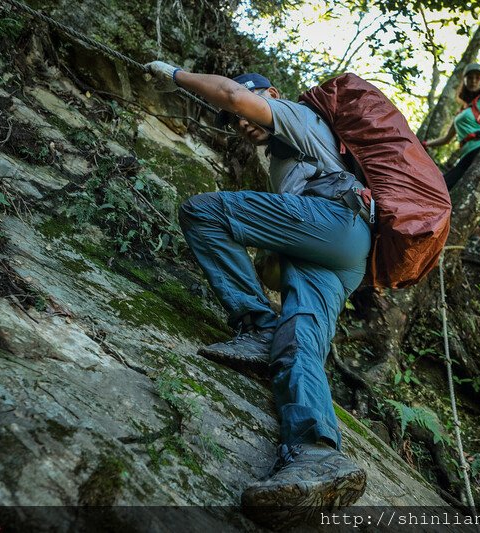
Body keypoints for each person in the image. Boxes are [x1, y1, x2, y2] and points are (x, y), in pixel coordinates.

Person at [144, 61, 369, 521]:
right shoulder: (287, 159)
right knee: (299, 340)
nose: (242, 122)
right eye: (235, 124)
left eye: (251, 106)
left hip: (336, 218)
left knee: (203, 212)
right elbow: (276, 257)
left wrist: (173, 74)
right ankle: (316, 453)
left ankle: (256, 324)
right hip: (344, 249)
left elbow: (231, 96)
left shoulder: (296, 115)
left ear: (273, 93)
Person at [422, 63, 480, 237]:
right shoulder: (463, 110)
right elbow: (446, 139)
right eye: (470, 77)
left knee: (448, 183)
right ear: (464, 80)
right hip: (467, 152)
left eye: (477, 78)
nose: (473, 80)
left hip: (479, 148)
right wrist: (425, 144)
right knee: (460, 183)